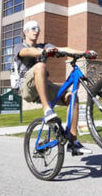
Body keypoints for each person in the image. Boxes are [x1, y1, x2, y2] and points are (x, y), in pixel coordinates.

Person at [12, 20, 96, 155]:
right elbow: (28, 51)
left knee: (72, 98)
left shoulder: (44, 45)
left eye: (38, 28)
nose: (36, 31)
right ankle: (47, 110)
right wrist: (44, 51)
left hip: (43, 85)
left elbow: (64, 49)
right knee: (40, 66)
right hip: (26, 87)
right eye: (33, 28)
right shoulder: (19, 46)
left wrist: (84, 53)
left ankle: (73, 142)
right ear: (25, 32)